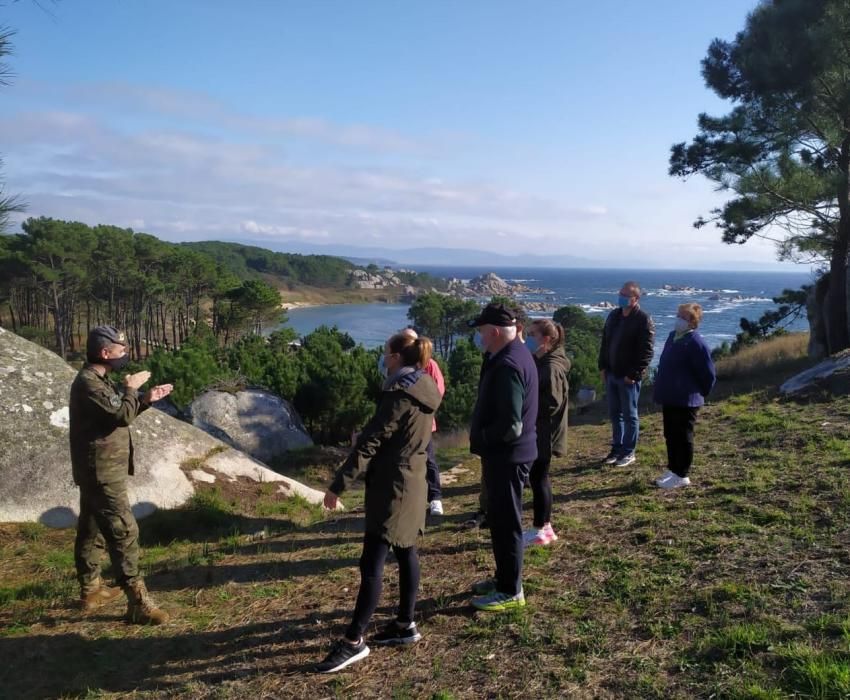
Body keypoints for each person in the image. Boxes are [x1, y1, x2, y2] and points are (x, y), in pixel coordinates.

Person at [316, 332, 442, 674]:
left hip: (393, 488)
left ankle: (354, 641)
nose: (383, 360)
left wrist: (338, 486)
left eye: (386, 354)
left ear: (397, 357)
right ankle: (405, 624)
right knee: (406, 550)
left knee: (371, 563)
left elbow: (370, 443)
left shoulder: (399, 394)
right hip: (413, 481)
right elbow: (406, 437)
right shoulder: (425, 388)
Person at [69, 325, 173, 624]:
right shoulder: (89, 383)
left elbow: (117, 415)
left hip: (99, 469)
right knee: (125, 533)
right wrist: (132, 388)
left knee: (91, 530)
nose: (124, 353)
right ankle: (138, 603)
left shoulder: (99, 380)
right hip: (101, 472)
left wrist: (146, 399)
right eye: (120, 350)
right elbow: (120, 415)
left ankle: (91, 590)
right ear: (105, 352)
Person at [467, 303, 538, 612]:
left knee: (506, 524)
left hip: (507, 457)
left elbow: (511, 425)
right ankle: (503, 578)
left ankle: (511, 591)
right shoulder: (511, 354)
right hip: (508, 455)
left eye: (482, 332)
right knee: (498, 521)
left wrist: (482, 439)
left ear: (494, 332)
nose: (480, 338)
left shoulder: (509, 364)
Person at [652, 303, 716, 489]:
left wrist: (701, 392)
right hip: (670, 396)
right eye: (678, 315)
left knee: (683, 436)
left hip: (686, 399)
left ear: (693, 322)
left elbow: (708, 373)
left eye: (684, 317)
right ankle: (673, 469)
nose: (678, 319)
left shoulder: (696, 342)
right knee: (670, 434)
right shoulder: (673, 336)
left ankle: (682, 474)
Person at [597, 281, 655, 467]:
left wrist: (634, 374)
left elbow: (647, 351)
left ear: (635, 299)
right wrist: (603, 367)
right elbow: (605, 343)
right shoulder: (614, 315)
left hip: (628, 377)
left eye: (625, 295)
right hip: (612, 373)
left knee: (630, 415)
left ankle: (629, 452)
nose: (620, 297)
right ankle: (617, 449)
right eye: (620, 293)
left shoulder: (643, 319)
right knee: (615, 414)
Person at [524, 319, 570, 546]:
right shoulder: (542, 361)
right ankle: (545, 527)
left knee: (539, 478)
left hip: (545, 432)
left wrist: (527, 407)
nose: (528, 338)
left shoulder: (551, 367)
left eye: (532, 334)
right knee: (539, 477)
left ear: (547, 339)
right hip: (540, 430)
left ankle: (541, 528)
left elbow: (552, 402)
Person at [400, 327, 446, 516]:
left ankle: (435, 498)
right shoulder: (398, 364)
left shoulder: (430, 365)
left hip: (424, 422)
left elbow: (438, 392)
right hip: (401, 424)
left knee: (428, 460)